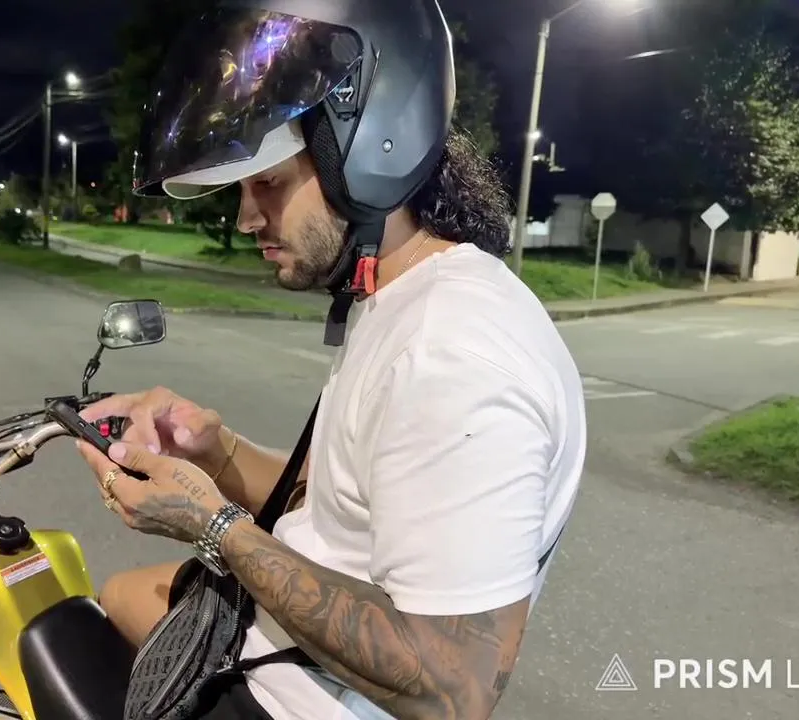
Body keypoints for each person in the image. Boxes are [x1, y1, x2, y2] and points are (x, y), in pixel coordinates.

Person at [74, 2, 585, 718]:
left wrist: (211, 523)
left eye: (269, 183)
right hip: (286, 647)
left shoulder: (454, 354)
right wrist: (215, 453)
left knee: (43, 639)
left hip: (300, 701)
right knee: (115, 595)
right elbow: (340, 514)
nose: (246, 219)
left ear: (369, 147)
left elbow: (452, 686)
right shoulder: (399, 296)